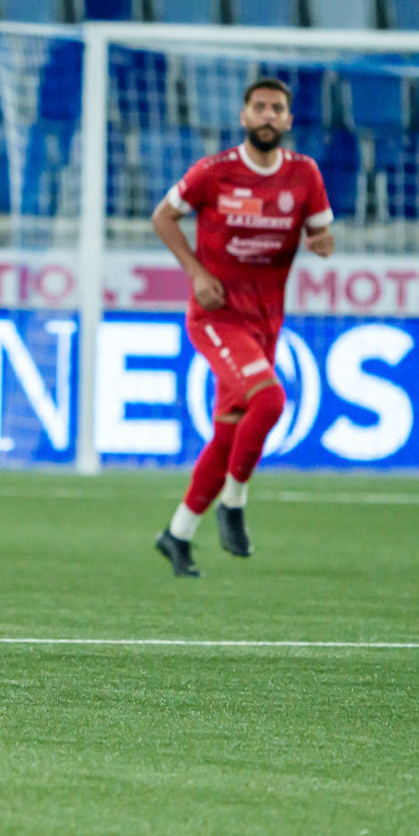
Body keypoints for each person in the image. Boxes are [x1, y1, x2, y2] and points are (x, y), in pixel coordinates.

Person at [150, 79, 335, 577]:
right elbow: (163, 217)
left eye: (277, 108)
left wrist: (321, 244)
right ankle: (233, 502)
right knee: (270, 400)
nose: (268, 115)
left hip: (266, 322)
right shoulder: (214, 172)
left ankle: (177, 534)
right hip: (217, 316)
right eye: (259, 107)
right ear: (244, 116)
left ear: (289, 120)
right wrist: (196, 273)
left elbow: (322, 232)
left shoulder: (304, 173)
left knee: (228, 436)